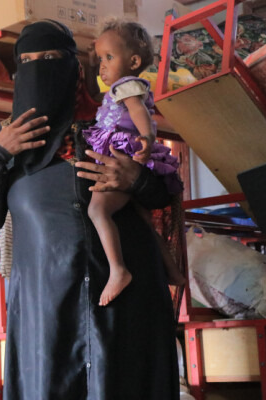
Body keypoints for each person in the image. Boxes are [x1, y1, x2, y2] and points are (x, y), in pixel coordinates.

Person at [0, 19, 179, 399]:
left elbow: (165, 195)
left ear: (76, 67)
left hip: (125, 298)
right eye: (28, 61)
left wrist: (137, 179)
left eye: (51, 57)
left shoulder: (109, 122)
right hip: (45, 306)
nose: (40, 68)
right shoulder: (5, 141)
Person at [82, 19, 185, 306]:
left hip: (125, 153)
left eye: (109, 58)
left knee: (98, 210)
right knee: (143, 218)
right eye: (100, 59)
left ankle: (118, 270)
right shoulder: (117, 88)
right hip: (125, 152)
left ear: (134, 61)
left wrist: (147, 138)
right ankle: (173, 271)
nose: (102, 65)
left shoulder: (126, 86)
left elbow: (140, 112)